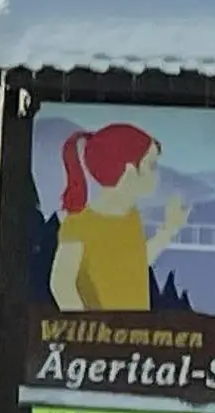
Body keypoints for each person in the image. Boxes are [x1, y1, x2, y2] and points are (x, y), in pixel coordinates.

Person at [50, 121, 190, 312]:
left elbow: (135, 264)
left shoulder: (130, 216)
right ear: (129, 170)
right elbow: (61, 285)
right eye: (151, 165)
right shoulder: (79, 224)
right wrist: (89, 332)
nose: (157, 174)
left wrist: (169, 229)